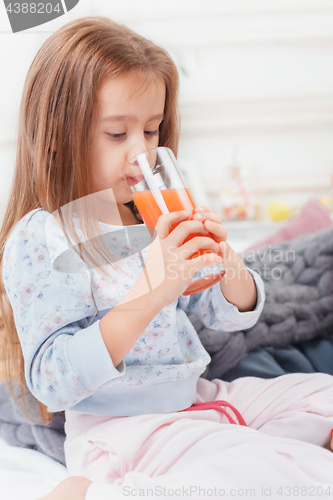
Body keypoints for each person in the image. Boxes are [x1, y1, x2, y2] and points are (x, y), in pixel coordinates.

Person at [0, 16, 333, 500]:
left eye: (152, 132)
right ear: (54, 134)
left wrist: (225, 263)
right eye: (118, 134)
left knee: (322, 394)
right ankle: (90, 492)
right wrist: (151, 290)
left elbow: (218, 314)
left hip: (196, 401)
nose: (143, 155)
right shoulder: (43, 236)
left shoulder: (147, 219)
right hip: (122, 430)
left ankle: (237, 459)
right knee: (288, 473)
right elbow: (53, 379)